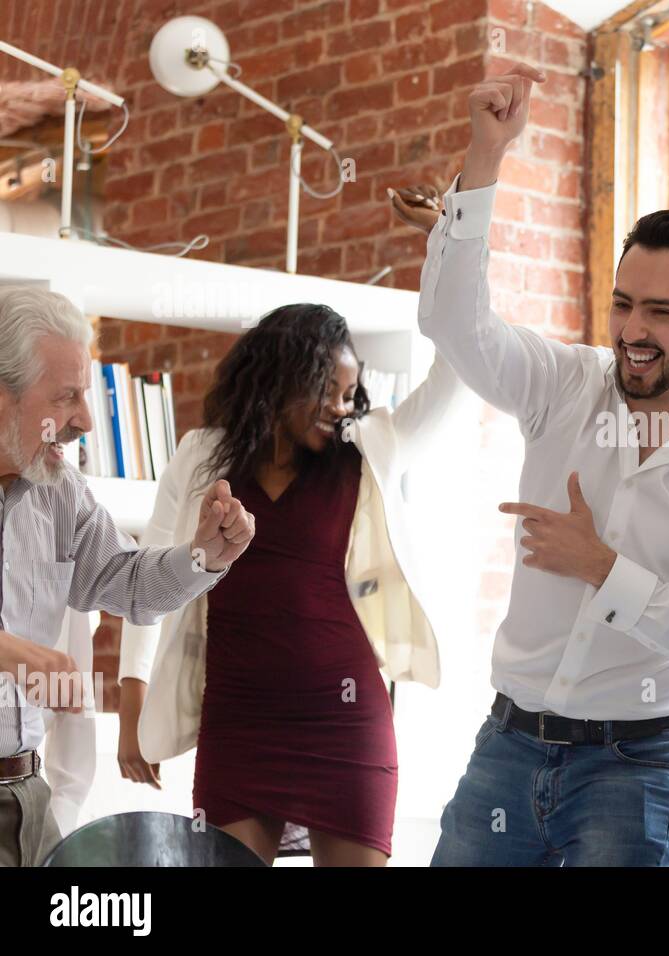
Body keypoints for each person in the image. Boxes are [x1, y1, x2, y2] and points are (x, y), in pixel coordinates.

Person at [391, 60, 669, 866]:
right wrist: (486, 158)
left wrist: (604, 568)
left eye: (663, 313)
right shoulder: (563, 384)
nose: (634, 331)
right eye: (623, 303)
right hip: (508, 742)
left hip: (635, 762)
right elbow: (452, 324)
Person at [117, 303, 466, 866]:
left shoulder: (368, 447)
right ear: (282, 376)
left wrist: (448, 249)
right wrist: (131, 695)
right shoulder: (201, 456)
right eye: (328, 388)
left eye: (349, 394)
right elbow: (148, 575)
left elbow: (456, 374)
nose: (339, 407)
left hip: (345, 726)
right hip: (238, 723)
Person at [0, 286, 253, 867]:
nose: (86, 420)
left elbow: (130, 584)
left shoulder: (60, 495)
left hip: (25, 801)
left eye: (85, 396)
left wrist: (203, 555)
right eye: (66, 398)